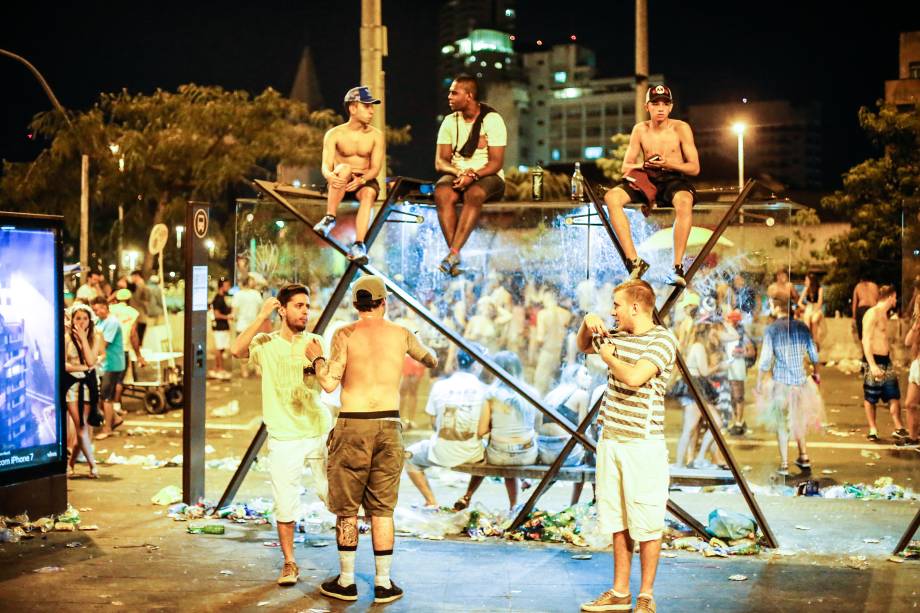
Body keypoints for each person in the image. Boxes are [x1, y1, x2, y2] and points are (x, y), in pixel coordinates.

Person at [310, 275, 437, 604]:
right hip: (388, 426)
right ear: (385, 303)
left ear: (355, 304)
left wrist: (316, 358)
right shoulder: (401, 333)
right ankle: (382, 583)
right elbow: (431, 359)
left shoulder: (344, 334)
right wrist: (414, 346)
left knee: (347, 509)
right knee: (382, 510)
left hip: (353, 426)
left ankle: (347, 580)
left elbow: (327, 383)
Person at [577, 279, 678, 613]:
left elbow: (635, 377)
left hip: (642, 445)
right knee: (617, 519)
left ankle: (645, 596)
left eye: (617, 305)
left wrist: (609, 358)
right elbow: (583, 346)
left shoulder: (662, 340)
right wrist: (587, 322)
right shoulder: (617, 336)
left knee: (647, 521)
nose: (613, 311)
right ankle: (620, 593)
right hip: (613, 440)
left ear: (636, 306)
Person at [229, 284, 332, 589]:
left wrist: (318, 361)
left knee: (332, 495)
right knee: (284, 502)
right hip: (284, 436)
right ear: (282, 310)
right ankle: (289, 562)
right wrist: (261, 315)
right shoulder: (265, 343)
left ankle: (346, 564)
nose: (305, 311)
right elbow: (236, 350)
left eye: (307, 306)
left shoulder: (315, 341)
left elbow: (327, 381)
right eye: (299, 306)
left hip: (317, 432)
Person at [603, 85, 700, 288]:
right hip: (647, 177)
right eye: (655, 103)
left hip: (673, 177)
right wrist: (644, 164)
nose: (660, 108)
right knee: (612, 197)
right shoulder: (640, 129)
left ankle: (677, 267)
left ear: (671, 107)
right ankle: (634, 262)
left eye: (665, 103)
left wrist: (668, 163)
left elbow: (694, 167)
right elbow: (625, 166)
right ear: (647, 107)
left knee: (685, 201)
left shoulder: (681, 128)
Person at [434, 74, 506, 276]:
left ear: (469, 96)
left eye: (454, 93)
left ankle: (453, 252)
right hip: (458, 172)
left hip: (488, 175)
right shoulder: (449, 122)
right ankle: (455, 257)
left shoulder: (492, 120)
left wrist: (472, 175)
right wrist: (459, 172)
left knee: (473, 194)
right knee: (442, 193)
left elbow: (496, 163)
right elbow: (440, 162)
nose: (449, 96)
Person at [452, 351, 538, 511]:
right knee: (514, 444)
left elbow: (481, 430)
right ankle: (514, 504)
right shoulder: (532, 393)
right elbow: (534, 427)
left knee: (485, 448)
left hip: (500, 455)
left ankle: (468, 495)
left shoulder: (490, 394)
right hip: (528, 455)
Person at [405, 346, 489, 508]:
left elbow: (433, 423)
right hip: (472, 454)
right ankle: (467, 496)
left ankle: (431, 501)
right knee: (491, 453)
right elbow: (482, 430)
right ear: (477, 366)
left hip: (440, 451)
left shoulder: (439, 386)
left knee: (409, 457)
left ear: (456, 363)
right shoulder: (484, 390)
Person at [312, 86, 385, 264]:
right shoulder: (334, 134)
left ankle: (359, 244)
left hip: (364, 180)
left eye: (372, 106)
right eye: (366, 106)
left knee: (368, 194)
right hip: (340, 179)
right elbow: (326, 164)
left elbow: (376, 168)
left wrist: (362, 179)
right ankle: (329, 218)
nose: (371, 110)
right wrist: (329, 175)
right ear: (352, 108)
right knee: (343, 168)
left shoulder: (377, 135)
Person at [756, 298, 823, 474]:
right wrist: (817, 373)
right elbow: (814, 354)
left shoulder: (772, 329)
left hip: (781, 384)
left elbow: (765, 360)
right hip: (801, 383)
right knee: (798, 419)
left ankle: (784, 464)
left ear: (778, 309)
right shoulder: (802, 328)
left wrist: (759, 382)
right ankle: (804, 457)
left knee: (782, 424)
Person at [861, 285, 906, 442]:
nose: (896, 300)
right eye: (895, 297)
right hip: (872, 360)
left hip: (886, 360)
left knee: (894, 395)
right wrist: (872, 365)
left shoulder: (885, 315)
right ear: (890, 297)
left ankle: (898, 427)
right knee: (871, 396)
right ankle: (873, 429)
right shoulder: (871, 313)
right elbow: (866, 339)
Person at [63, 304, 100, 478]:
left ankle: (71, 463)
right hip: (71, 387)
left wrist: (84, 339)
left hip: (88, 386)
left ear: (90, 320)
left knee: (82, 428)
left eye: (85, 318)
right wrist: (83, 366)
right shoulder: (66, 338)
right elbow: (64, 365)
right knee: (81, 426)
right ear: (72, 319)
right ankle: (92, 465)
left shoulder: (95, 337)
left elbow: (92, 360)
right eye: (78, 318)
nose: (81, 321)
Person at [90, 297, 126, 440]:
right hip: (104, 364)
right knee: (101, 396)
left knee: (106, 397)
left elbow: (102, 344)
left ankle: (108, 428)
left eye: (100, 308)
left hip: (112, 364)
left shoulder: (112, 323)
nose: (98, 312)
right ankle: (115, 418)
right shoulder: (100, 321)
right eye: (95, 310)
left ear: (107, 307)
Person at [109, 288, 146, 414]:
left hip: (109, 348)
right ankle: (116, 405)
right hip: (123, 349)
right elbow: (133, 334)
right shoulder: (133, 313)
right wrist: (138, 355)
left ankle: (109, 405)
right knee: (119, 379)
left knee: (109, 378)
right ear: (129, 299)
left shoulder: (110, 309)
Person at [233, 276, 263, 378]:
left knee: (243, 350)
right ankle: (257, 370)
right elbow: (260, 311)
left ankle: (244, 372)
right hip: (254, 326)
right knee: (256, 348)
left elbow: (234, 313)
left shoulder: (238, 295)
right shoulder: (256, 294)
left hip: (241, 327)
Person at [900, 315, 920, 447]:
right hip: (917, 364)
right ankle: (913, 438)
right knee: (910, 404)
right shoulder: (918, 323)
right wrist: (915, 327)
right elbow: (907, 342)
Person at [210, 278, 232, 380]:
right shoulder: (218, 299)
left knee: (221, 348)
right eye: (227, 285)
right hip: (219, 327)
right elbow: (216, 314)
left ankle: (217, 367)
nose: (228, 287)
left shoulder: (223, 298)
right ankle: (220, 369)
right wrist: (228, 317)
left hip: (223, 327)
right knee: (219, 348)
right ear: (221, 286)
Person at [798, 272, 825, 347]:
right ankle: (809, 341)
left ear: (811, 281)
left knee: (814, 319)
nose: (805, 282)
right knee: (807, 320)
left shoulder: (820, 289)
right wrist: (805, 307)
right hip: (809, 308)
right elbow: (799, 302)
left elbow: (819, 303)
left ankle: (815, 341)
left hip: (817, 309)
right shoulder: (806, 289)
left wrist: (814, 310)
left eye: (806, 280)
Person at [852, 275, 880, 341]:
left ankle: (864, 349)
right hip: (873, 309)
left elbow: (854, 303)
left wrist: (853, 317)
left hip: (862, 309)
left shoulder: (858, 286)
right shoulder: (875, 286)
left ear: (861, 279)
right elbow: (878, 300)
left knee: (862, 335)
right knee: (873, 334)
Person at [129, 270, 151, 345]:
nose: (131, 278)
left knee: (138, 338)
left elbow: (141, 300)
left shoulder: (140, 286)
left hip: (139, 315)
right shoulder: (139, 286)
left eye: (132, 276)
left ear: (137, 276)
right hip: (139, 315)